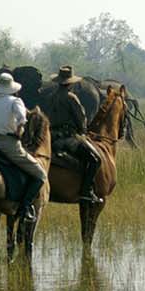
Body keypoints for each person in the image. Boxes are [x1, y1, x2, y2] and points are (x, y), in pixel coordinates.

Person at [0, 72, 46, 222]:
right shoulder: (15, 101)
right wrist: (19, 131)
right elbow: (22, 119)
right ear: (12, 88)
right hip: (10, 145)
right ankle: (25, 208)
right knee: (40, 174)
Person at [47, 66, 104, 204]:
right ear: (71, 83)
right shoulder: (71, 97)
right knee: (95, 159)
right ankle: (86, 192)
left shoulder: (52, 96)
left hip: (52, 137)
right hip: (68, 138)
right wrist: (83, 131)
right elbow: (81, 118)